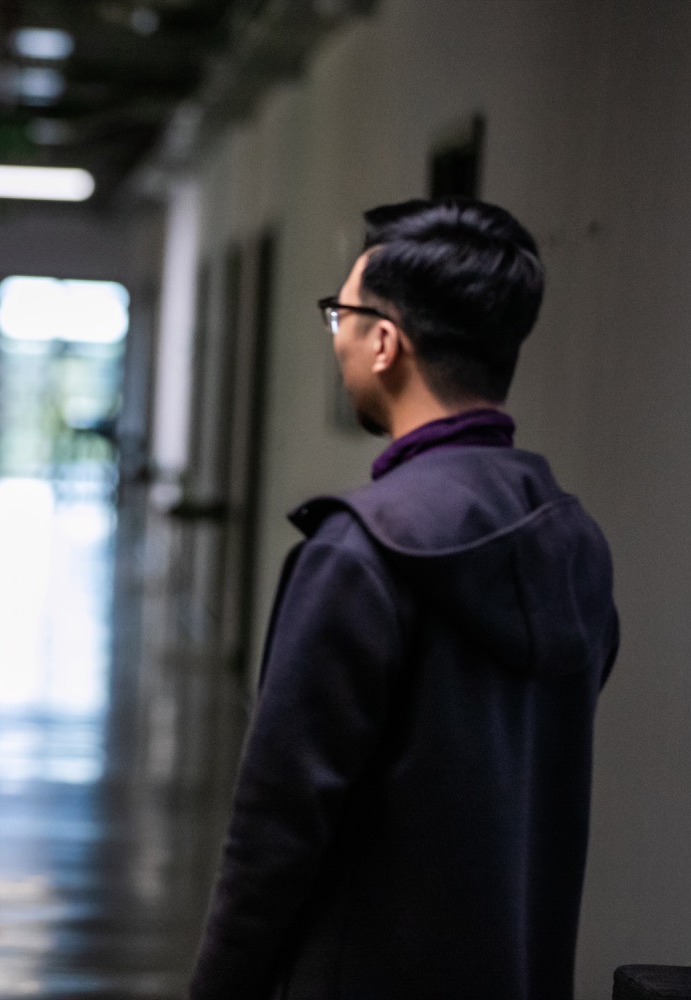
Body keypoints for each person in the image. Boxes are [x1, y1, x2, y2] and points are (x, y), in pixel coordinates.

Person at [188, 199, 618, 1000]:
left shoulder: (360, 551)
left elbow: (276, 831)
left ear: (384, 342)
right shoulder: (574, 543)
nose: (337, 337)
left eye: (340, 315)